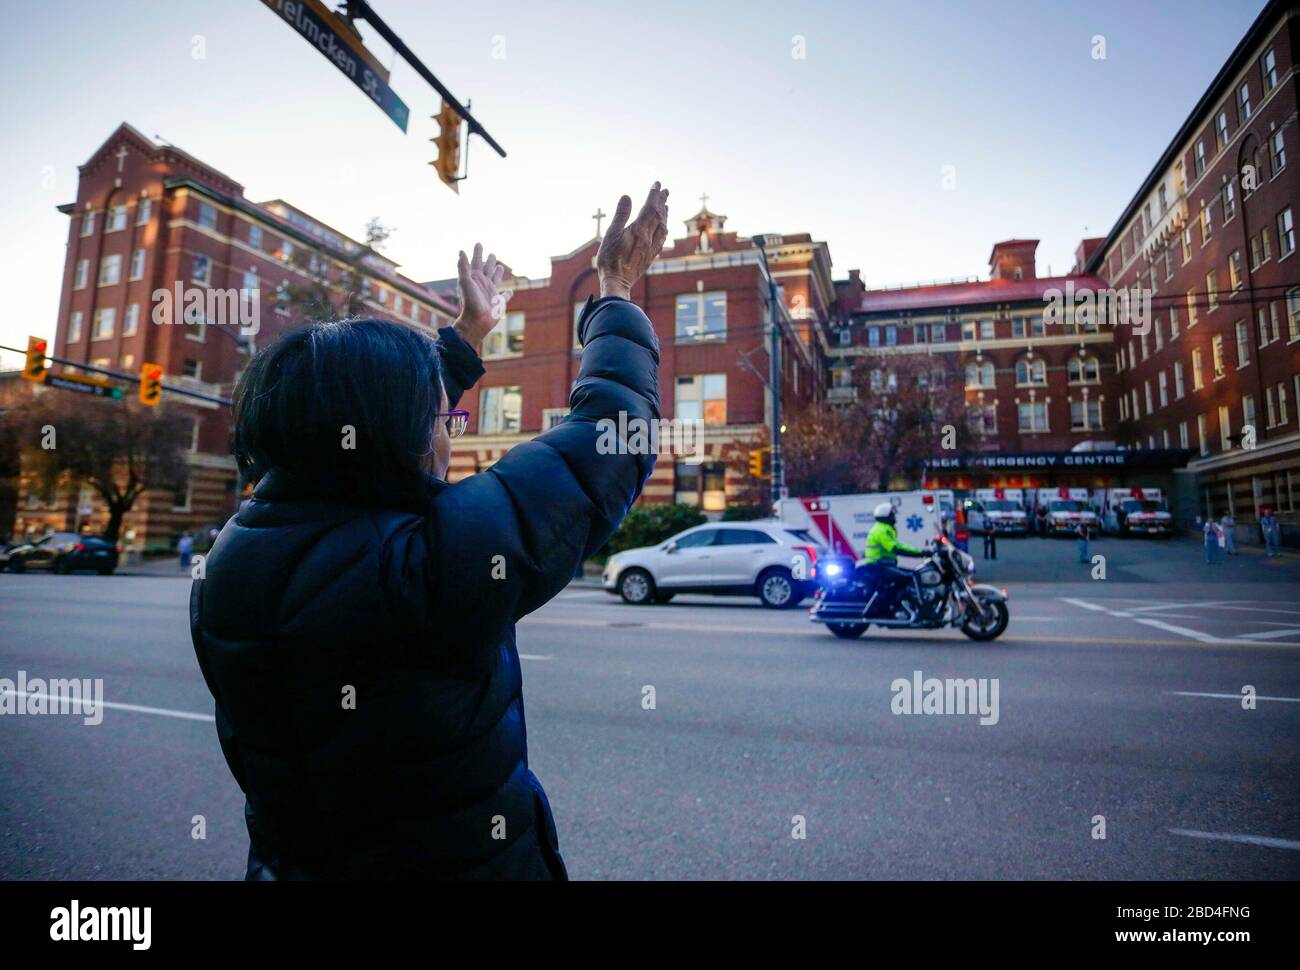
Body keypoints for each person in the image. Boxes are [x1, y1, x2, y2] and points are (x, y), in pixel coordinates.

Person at [190, 184, 670, 880]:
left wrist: (466, 339)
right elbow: (609, 435)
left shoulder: (231, 561)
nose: (448, 434)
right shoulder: (420, 569)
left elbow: (354, 420)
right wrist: (617, 289)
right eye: (443, 422)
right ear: (398, 437)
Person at [862, 501, 926, 617]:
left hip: (882, 565)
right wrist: (921, 553)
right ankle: (923, 607)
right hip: (880, 566)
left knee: (903, 581)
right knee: (913, 575)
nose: (894, 518)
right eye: (892, 515)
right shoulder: (882, 529)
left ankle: (904, 604)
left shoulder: (882, 528)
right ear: (886, 516)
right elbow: (895, 548)